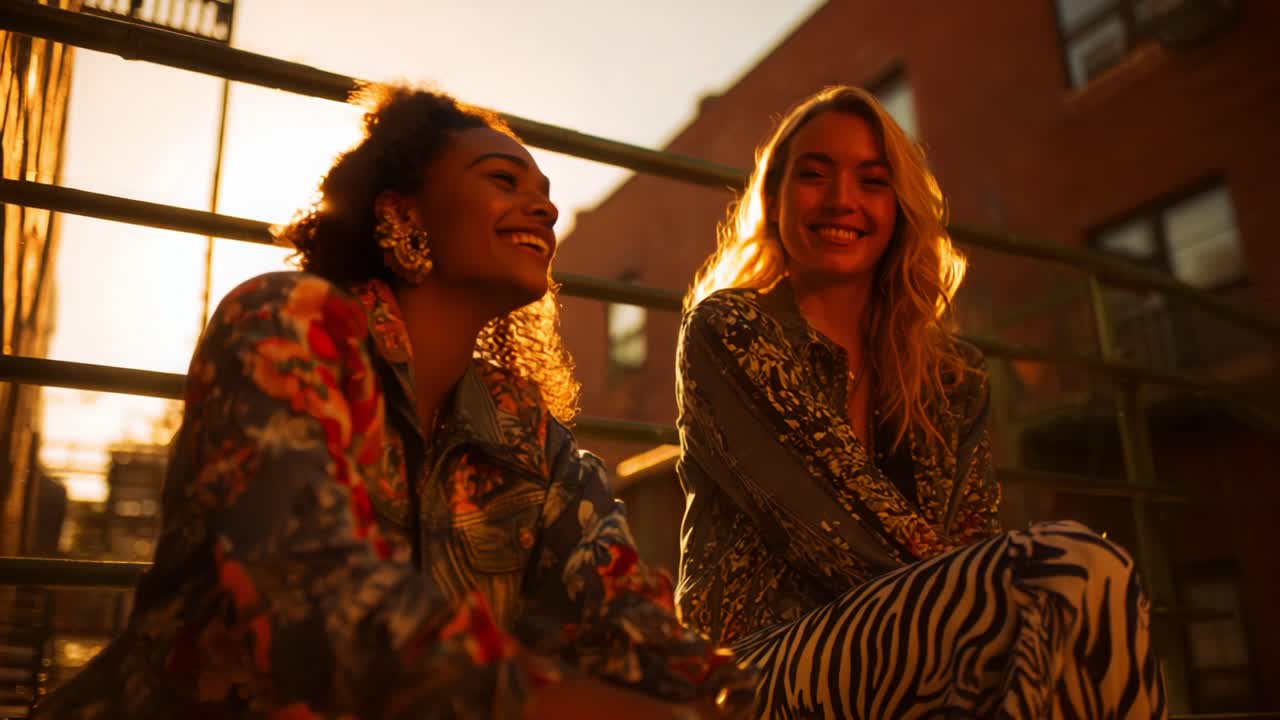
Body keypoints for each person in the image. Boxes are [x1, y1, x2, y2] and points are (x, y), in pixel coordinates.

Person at [35, 85, 756, 720]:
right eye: (504, 179)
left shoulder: (528, 433)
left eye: (544, 189)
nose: (545, 204)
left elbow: (625, 621)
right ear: (404, 216)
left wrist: (737, 699)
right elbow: (314, 603)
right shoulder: (286, 324)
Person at [675, 85, 1167, 718]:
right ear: (773, 199)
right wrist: (986, 584)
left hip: (922, 641)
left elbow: (976, 535)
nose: (841, 200)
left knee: (1074, 596)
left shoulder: (954, 379)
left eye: (872, 181)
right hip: (755, 670)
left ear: (900, 208)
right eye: (813, 175)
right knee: (1071, 576)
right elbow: (835, 522)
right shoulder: (730, 329)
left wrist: (982, 585)